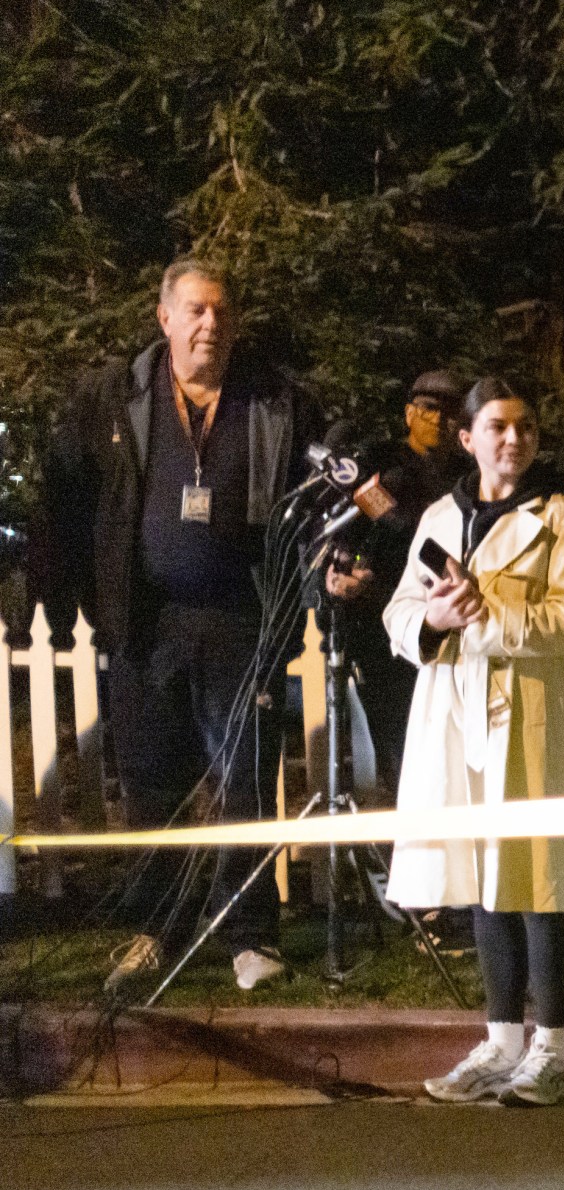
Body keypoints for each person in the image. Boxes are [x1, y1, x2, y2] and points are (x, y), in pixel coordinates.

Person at [35, 257, 321, 988]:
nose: (210, 324)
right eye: (195, 310)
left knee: (247, 781)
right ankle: (150, 930)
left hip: (240, 616)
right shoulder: (113, 395)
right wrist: (61, 594)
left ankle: (251, 937)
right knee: (149, 782)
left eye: (221, 312)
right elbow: (66, 500)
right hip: (144, 620)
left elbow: (308, 506)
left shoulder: (274, 401)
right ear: (164, 318)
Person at [385, 378, 564, 1107]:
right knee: (483, 875)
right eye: (499, 427)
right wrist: (436, 620)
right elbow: (400, 611)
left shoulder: (562, 516)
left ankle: (553, 1048)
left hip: (530, 702)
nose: (514, 439)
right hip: (454, 702)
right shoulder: (441, 516)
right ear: (468, 437)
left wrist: (487, 611)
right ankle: (502, 1037)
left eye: (527, 427)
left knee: (537, 875)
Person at [322, 370, 471, 782]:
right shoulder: (380, 462)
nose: (438, 421)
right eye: (428, 410)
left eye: (449, 412)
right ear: (409, 414)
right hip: (386, 626)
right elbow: (355, 520)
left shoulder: (470, 478)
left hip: (453, 627)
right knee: (400, 752)